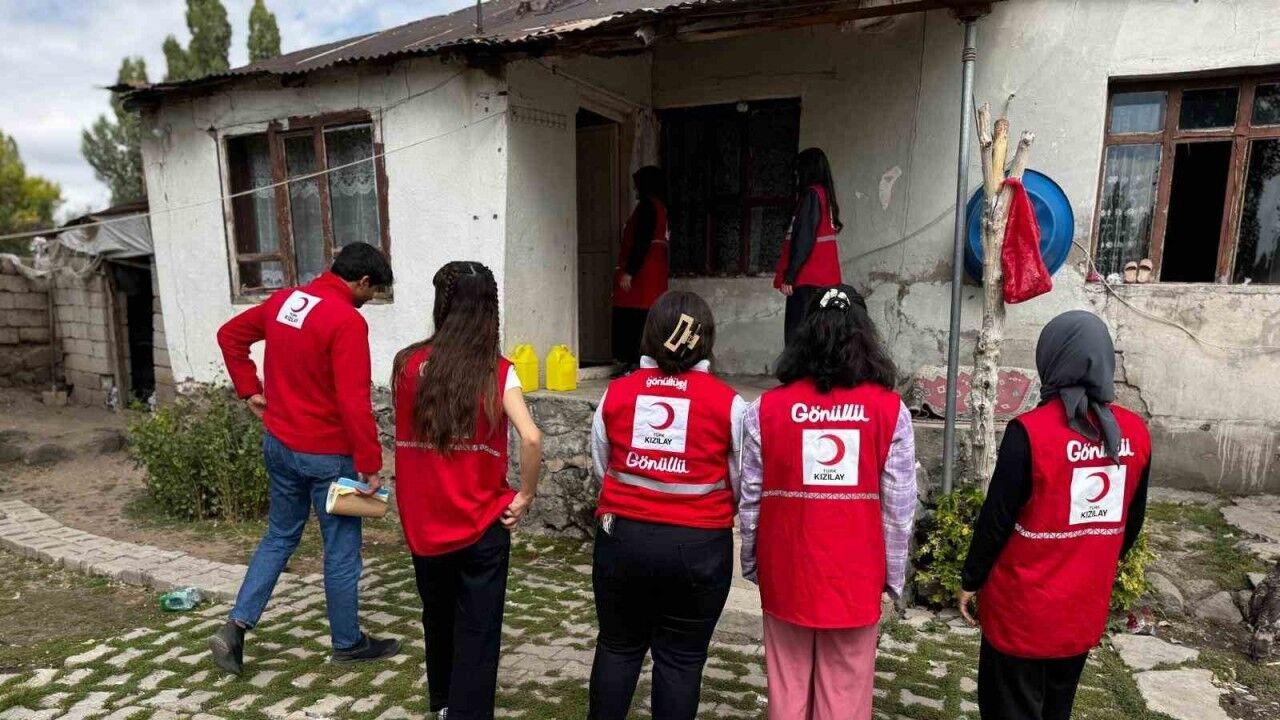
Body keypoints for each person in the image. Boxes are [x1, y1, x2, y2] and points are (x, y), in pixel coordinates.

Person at [210, 241, 399, 675]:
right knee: (341, 550)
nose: (370, 301)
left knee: (279, 536)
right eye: (373, 292)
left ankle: (236, 627)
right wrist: (370, 463)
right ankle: (348, 643)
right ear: (362, 281)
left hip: (280, 444)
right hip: (327, 456)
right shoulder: (346, 321)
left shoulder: (286, 300)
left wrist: (248, 389)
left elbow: (229, 335)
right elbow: (353, 401)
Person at [958, 310, 1152, 720]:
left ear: (1051, 358)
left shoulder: (1029, 432)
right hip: (1081, 606)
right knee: (1057, 706)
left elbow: (996, 521)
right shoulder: (1134, 434)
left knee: (1010, 707)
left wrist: (971, 580)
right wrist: (1091, 561)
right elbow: (1130, 524)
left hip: (1021, 611)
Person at [740, 285, 916, 720]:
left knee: (786, 689)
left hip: (786, 570)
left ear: (805, 335)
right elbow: (898, 511)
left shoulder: (764, 410)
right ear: (866, 336)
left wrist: (753, 563)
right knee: (846, 692)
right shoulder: (890, 412)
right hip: (856, 576)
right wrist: (893, 579)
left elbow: (751, 501)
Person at [391, 261, 543, 720]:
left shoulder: (407, 364)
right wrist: (526, 495)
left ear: (442, 303)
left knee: (437, 616)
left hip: (424, 521)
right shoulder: (497, 371)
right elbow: (531, 437)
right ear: (489, 309)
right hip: (481, 521)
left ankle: (443, 703)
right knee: (478, 628)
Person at [588, 290, 745, 720]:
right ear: (705, 339)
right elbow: (741, 480)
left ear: (650, 335)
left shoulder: (616, 394)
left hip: (622, 540)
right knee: (681, 660)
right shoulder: (730, 404)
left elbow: (603, 465)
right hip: (699, 549)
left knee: (617, 647)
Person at [773, 148, 846, 347]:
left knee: (798, 335)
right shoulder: (825, 196)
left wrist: (790, 275)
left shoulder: (812, 195)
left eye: (799, 169)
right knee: (819, 335)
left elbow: (804, 238)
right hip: (825, 277)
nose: (796, 174)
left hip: (808, 277)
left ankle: (798, 368)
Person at [612, 165, 670, 373]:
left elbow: (642, 241)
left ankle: (634, 362)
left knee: (634, 318)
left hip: (643, 273)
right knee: (646, 316)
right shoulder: (661, 206)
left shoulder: (647, 207)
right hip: (654, 271)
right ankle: (640, 361)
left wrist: (630, 271)